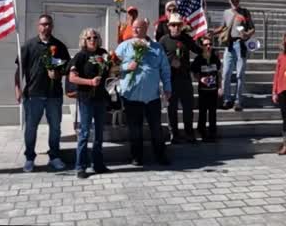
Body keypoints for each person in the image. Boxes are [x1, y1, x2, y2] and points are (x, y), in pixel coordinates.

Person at [14, 14, 71, 172]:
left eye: (48, 24)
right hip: (33, 95)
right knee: (31, 128)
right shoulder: (29, 45)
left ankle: (54, 156)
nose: (46, 27)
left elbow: (66, 68)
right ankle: (30, 158)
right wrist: (18, 89)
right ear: (38, 26)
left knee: (55, 127)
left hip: (54, 95)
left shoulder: (59, 46)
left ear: (52, 26)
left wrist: (58, 74)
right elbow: (19, 71)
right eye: (43, 24)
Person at [116, 18, 171, 166]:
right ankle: (137, 156)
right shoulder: (123, 47)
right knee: (135, 129)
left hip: (152, 96)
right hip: (131, 96)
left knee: (156, 129)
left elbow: (165, 69)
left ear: (146, 28)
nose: (135, 30)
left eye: (139, 28)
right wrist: (127, 66)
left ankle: (160, 155)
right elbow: (113, 68)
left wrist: (167, 88)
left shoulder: (157, 48)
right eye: (133, 27)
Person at [68, 28, 112, 179]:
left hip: (100, 98)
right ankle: (80, 166)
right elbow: (72, 78)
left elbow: (111, 71)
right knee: (85, 133)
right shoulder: (80, 56)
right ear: (84, 40)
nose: (92, 40)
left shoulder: (104, 53)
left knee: (99, 133)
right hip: (86, 99)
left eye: (95, 37)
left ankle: (98, 164)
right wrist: (90, 82)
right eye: (89, 38)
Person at [159, 13, 204, 143]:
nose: (176, 27)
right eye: (173, 25)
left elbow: (199, 51)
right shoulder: (163, 40)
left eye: (178, 25)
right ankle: (174, 134)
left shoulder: (186, 38)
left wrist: (205, 43)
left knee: (188, 107)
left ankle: (189, 132)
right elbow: (158, 59)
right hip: (170, 80)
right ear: (169, 26)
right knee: (171, 108)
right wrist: (170, 62)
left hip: (185, 78)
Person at [213, 0, 255, 111]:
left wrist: (247, 34)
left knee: (240, 74)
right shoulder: (226, 12)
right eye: (232, 0)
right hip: (229, 45)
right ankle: (227, 99)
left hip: (241, 44)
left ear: (239, 0)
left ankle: (238, 101)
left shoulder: (245, 12)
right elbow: (223, 27)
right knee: (226, 73)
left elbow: (252, 28)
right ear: (229, 0)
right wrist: (212, 32)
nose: (235, 2)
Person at [191, 36, 222, 142]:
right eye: (205, 45)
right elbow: (194, 72)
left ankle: (213, 133)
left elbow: (218, 73)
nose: (208, 46)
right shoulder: (198, 59)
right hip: (203, 90)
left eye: (210, 44)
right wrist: (200, 79)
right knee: (203, 112)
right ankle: (202, 132)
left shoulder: (215, 58)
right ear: (202, 46)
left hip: (213, 90)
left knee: (213, 113)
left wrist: (220, 87)